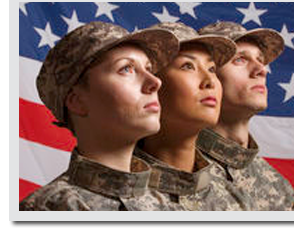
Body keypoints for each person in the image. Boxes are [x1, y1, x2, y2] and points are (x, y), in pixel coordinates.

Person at [19, 21, 181, 211]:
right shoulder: (49, 208)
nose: (155, 82)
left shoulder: (169, 206)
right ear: (77, 101)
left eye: (149, 68)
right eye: (126, 69)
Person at [134, 22, 255, 210]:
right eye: (187, 66)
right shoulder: (115, 199)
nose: (210, 82)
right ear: (151, 84)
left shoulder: (235, 202)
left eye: (212, 69)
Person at [196, 21, 294, 210]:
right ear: (208, 77)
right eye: (240, 59)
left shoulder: (279, 188)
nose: (261, 70)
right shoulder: (178, 171)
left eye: (260, 59)